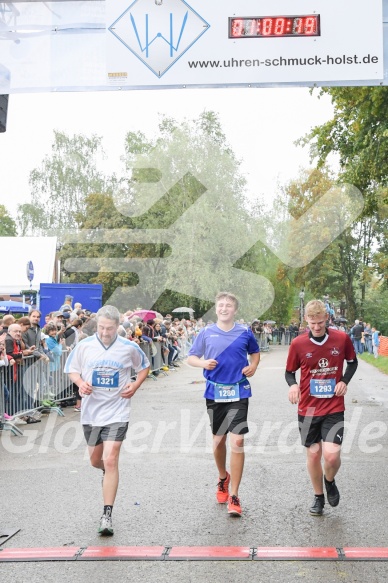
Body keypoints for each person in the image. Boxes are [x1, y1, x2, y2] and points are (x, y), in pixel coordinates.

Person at [64, 305, 150, 536]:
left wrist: (135, 385)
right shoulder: (84, 346)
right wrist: (80, 383)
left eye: (109, 328)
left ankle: (106, 515)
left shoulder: (128, 347)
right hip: (92, 412)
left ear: (117, 326)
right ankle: (107, 472)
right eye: (101, 327)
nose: (104, 332)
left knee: (110, 460)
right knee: (96, 461)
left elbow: (144, 367)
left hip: (117, 410)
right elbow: (72, 370)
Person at [187, 292, 260, 517]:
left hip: (238, 390)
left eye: (229, 305)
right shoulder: (206, 332)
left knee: (237, 440)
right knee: (219, 441)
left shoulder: (244, 332)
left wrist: (253, 366)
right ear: (216, 309)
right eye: (221, 305)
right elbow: (191, 357)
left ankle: (235, 495)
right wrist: (202, 362)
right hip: (215, 391)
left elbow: (255, 353)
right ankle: (222, 477)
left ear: (235, 310)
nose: (224, 308)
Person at [286, 299, 358, 516]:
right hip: (307, 408)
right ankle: (318, 497)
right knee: (314, 454)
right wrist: (293, 386)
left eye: (320, 322)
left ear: (327, 318)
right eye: (312, 323)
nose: (316, 327)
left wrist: (344, 380)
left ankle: (329, 480)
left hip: (333, 406)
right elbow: (289, 372)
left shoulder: (341, 338)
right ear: (306, 319)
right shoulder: (298, 344)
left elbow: (353, 362)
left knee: (332, 455)